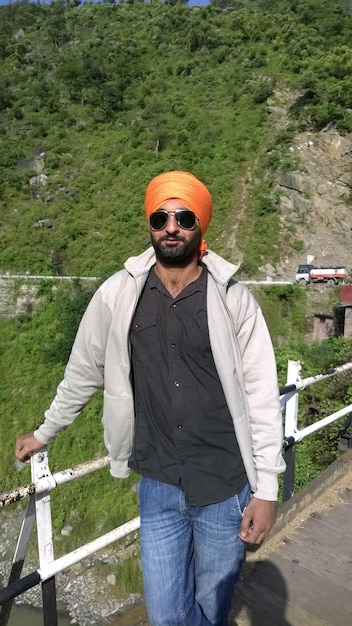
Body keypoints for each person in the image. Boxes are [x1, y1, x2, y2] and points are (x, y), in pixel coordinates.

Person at [15, 171, 286, 626]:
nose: (171, 227)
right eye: (161, 217)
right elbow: (84, 371)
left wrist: (268, 490)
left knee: (212, 612)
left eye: (183, 217)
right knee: (166, 617)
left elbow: (261, 394)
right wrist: (46, 431)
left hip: (225, 485)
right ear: (150, 225)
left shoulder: (233, 300)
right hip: (158, 484)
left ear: (200, 225)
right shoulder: (118, 295)